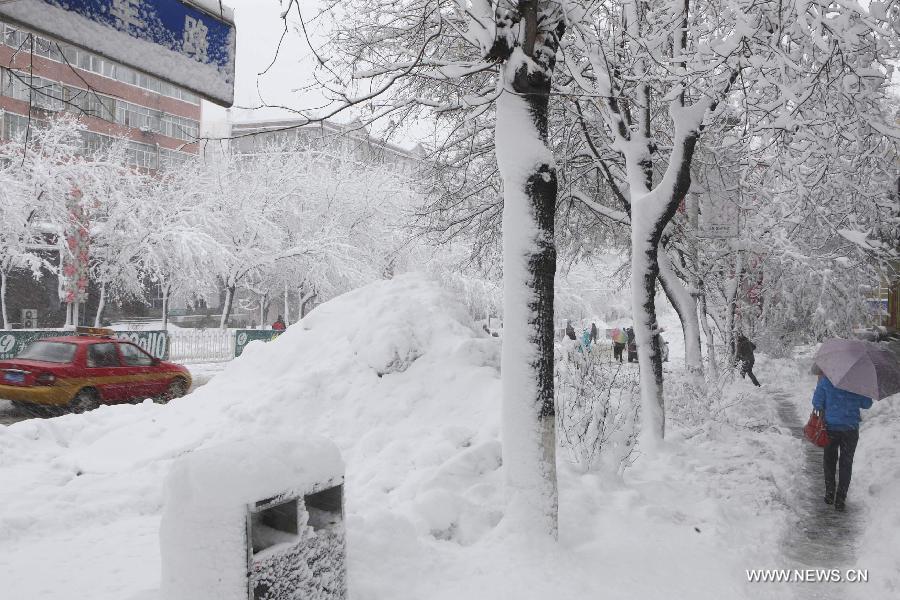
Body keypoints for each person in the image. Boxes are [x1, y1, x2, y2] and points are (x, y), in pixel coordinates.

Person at [811, 373, 873, 511]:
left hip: (831, 428)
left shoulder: (827, 381)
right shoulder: (858, 383)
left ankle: (829, 492)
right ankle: (840, 498)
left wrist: (829, 403)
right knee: (846, 463)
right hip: (850, 429)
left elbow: (817, 403)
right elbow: (867, 404)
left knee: (829, 460)